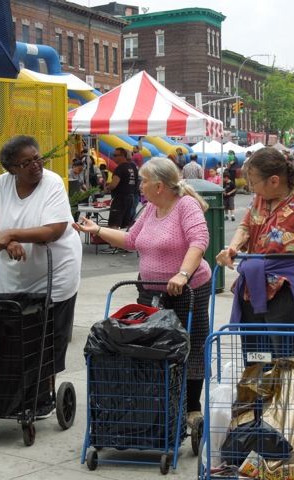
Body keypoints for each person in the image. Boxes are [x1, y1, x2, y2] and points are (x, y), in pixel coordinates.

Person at [74, 157, 212, 427]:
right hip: (150, 289)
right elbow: (131, 240)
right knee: (151, 345)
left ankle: (191, 407)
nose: (140, 185)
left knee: (189, 345)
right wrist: (98, 229)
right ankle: (159, 403)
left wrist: (182, 274)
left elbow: (199, 241)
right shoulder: (150, 208)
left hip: (187, 289)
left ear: (159, 185)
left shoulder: (186, 206)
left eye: (144, 180)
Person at [0, 135, 82, 418]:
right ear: (11, 169)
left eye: (37, 158)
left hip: (55, 270)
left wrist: (10, 234)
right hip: (13, 272)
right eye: (26, 162)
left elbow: (53, 230)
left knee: (49, 332)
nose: (36, 165)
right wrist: (7, 241)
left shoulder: (52, 183)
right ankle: (14, 390)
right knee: (12, 331)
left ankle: (45, 393)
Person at [215, 147, 294, 357]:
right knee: (255, 355)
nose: (251, 188)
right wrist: (232, 247)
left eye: (253, 182)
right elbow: (245, 227)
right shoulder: (261, 197)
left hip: (284, 288)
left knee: (287, 356)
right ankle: (258, 389)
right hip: (251, 287)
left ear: (273, 180)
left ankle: (287, 390)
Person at [106, 147, 138, 231]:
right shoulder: (132, 167)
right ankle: (123, 242)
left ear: (123, 156)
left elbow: (113, 185)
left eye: (115, 155)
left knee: (114, 224)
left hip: (120, 199)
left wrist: (107, 188)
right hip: (130, 197)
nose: (114, 157)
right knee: (126, 224)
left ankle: (114, 243)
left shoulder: (120, 168)